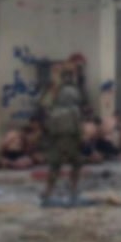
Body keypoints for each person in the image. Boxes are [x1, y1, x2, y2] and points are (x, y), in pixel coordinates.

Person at [41, 71, 84, 200]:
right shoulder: (75, 111)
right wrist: (81, 141)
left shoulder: (53, 111)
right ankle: (73, 188)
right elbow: (78, 129)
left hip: (56, 142)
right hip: (71, 141)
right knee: (77, 164)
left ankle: (48, 192)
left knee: (54, 167)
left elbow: (49, 128)